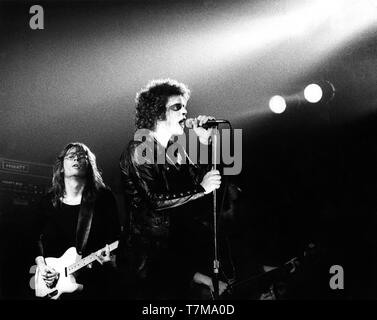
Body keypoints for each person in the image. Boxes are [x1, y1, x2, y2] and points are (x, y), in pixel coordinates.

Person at [119, 79, 227, 299]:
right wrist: (201, 189)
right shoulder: (140, 147)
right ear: (157, 112)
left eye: (185, 106)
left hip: (174, 256)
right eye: (177, 107)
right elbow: (155, 200)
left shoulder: (174, 150)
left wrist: (203, 143)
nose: (185, 112)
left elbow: (204, 185)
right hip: (147, 262)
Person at [33, 142, 121, 299]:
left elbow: (115, 238)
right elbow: (33, 237)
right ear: (61, 166)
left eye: (82, 157)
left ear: (89, 165)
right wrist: (42, 265)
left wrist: (110, 259)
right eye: (71, 156)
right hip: (53, 281)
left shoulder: (104, 198)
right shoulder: (47, 201)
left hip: (93, 283)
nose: (77, 159)